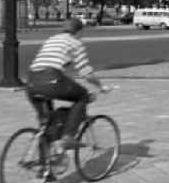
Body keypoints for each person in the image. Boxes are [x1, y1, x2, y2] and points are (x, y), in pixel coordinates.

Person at [25, 17, 107, 149]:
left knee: (46, 124)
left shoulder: (52, 39)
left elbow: (58, 61)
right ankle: (68, 136)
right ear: (79, 32)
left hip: (31, 81)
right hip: (51, 79)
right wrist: (100, 86)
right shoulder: (75, 43)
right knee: (83, 96)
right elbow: (86, 73)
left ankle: (45, 164)